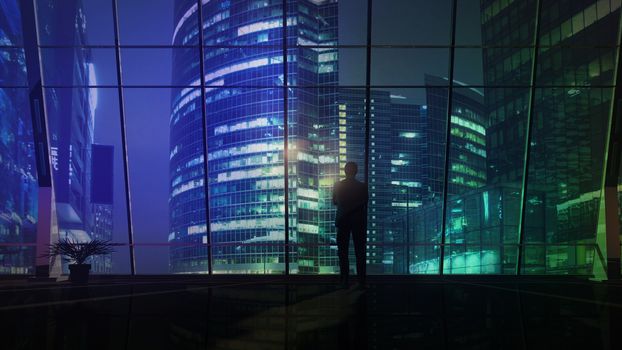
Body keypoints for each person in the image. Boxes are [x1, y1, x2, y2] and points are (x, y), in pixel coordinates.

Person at [332, 162, 368, 289]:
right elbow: (364, 202)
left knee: (342, 252)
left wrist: (345, 207)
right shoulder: (362, 186)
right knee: (360, 252)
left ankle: (344, 280)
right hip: (358, 222)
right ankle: (361, 281)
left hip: (342, 220)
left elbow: (335, 201)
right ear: (356, 171)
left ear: (345, 171)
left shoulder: (338, 185)